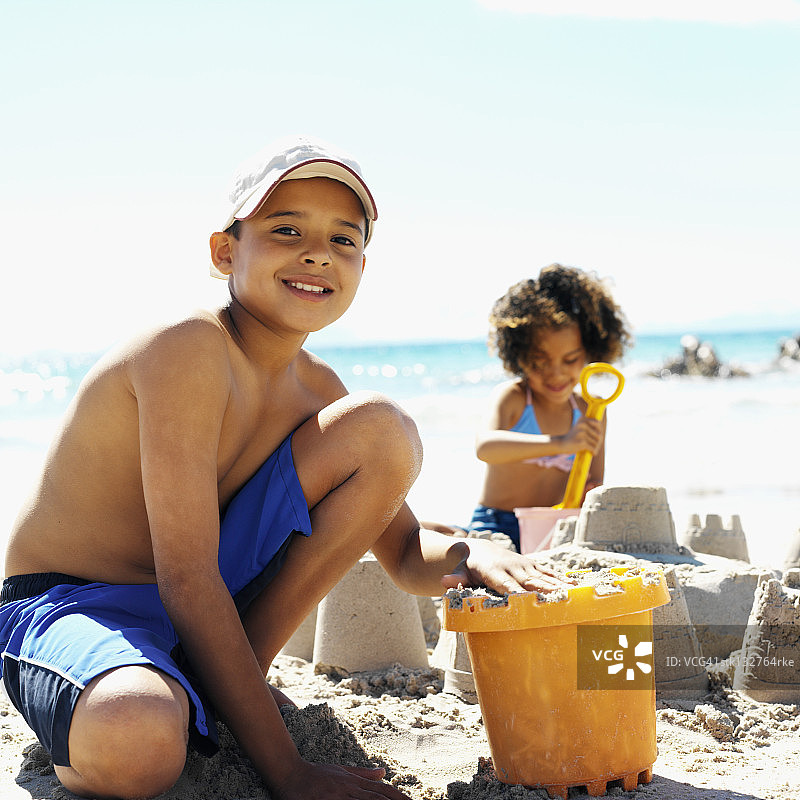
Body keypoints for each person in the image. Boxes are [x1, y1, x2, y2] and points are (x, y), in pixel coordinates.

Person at [0, 135, 569, 800]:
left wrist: (476, 554)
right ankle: (139, 706)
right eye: (286, 229)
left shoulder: (318, 390)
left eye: (344, 240)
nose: (317, 253)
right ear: (224, 251)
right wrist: (288, 772)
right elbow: (186, 576)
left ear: (361, 267)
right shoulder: (186, 348)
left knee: (382, 428)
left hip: (206, 603)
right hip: (78, 603)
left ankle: (220, 687)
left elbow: (409, 554)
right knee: (138, 737)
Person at [462, 265, 631, 552]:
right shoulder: (513, 398)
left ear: (590, 353)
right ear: (519, 355)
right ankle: (453, 532)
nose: (555, 373)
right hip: (496, 525)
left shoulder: (591, 412)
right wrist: (561, 443)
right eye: (540, 361)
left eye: (570, 360)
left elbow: (594, 481)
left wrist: (592, 492)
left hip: (556, 526)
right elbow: (486, 447)